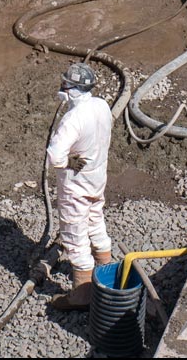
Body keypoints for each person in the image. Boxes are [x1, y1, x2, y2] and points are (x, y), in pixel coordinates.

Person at [46, 62, 113, 310]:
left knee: (74, 236)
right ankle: (106, 271)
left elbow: (54, 157)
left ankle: (82, 295)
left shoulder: (72, 119)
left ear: (72, 89)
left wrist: (67, 163)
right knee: (96, 221)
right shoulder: (101, 105)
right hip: (97, 180)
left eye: (65, 84)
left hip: (76, 187)